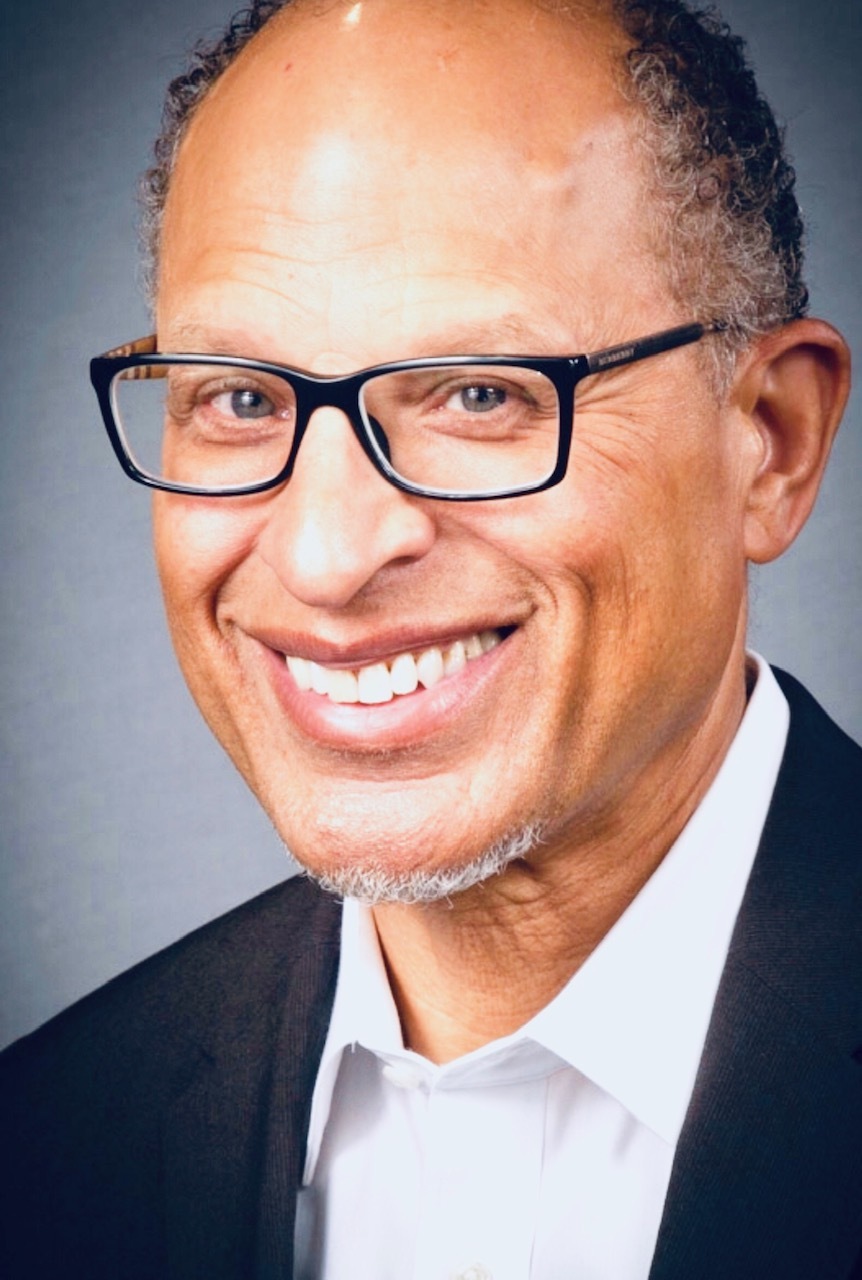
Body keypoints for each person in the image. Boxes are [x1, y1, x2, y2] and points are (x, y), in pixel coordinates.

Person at [2, 0, 860, 1276]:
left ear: (771, 442)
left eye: (479, 392)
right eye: (240, 398)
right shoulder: (46, 1146)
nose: (324, 554)